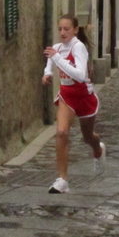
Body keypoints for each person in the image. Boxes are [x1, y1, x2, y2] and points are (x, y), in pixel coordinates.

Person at [42, 15, 105, 194]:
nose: (62, 32)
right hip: (67, 96)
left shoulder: (79, 48)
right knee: (61, 132)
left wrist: (58, 59)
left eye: (66, 29)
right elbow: (50, 63)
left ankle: (97, 149)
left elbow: (78, 75)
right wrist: (47, 74)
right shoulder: (57, 48)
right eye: (60, 29)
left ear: (76, 30)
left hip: (84, 97)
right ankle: (62, 180)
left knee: (87, 137)